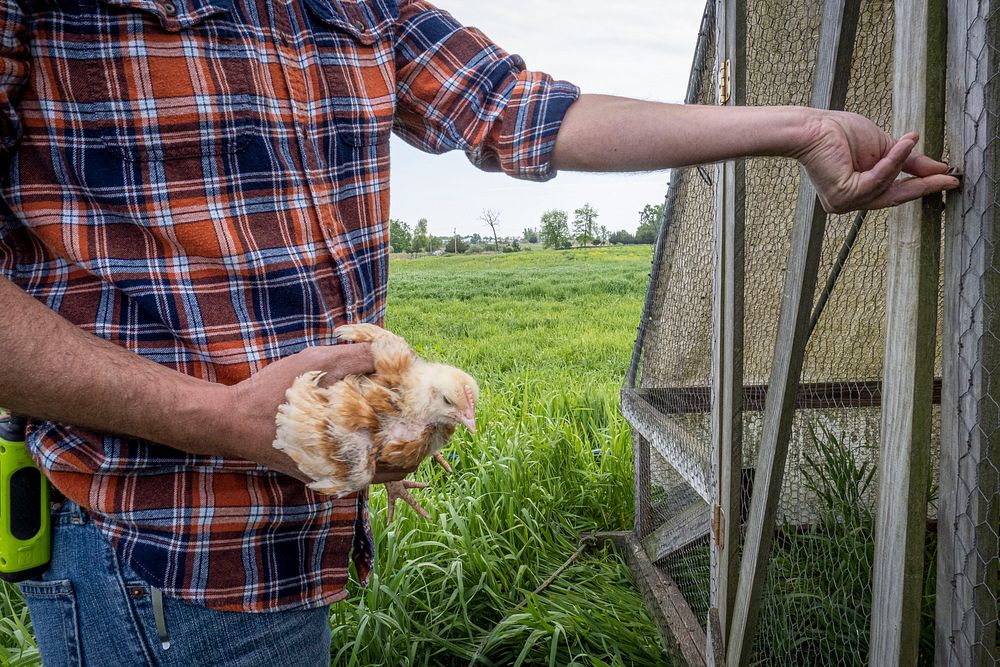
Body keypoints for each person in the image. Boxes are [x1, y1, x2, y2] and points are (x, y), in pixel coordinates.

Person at [0, 0, 958, 664]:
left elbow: (526, 109)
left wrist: (800, 128)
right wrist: (221, 417)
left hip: (293, 540)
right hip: (153, 548)